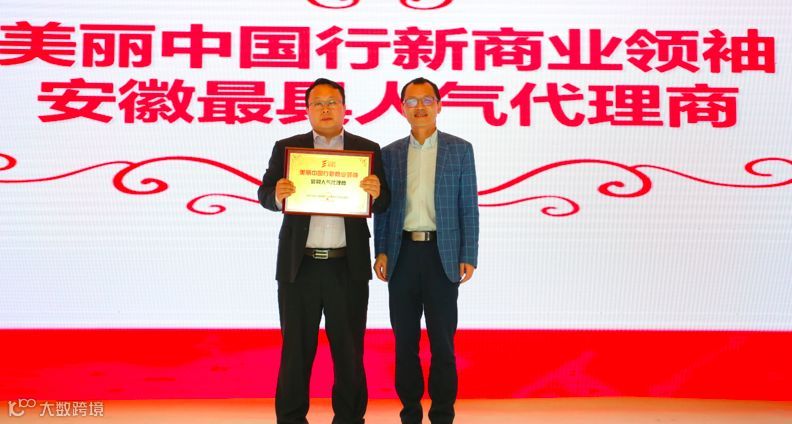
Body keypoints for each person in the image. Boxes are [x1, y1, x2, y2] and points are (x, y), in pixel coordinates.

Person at [258, 78, 390, 424]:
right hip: (298, 267)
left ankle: (349, 418)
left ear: (344, 108)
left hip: (347, 266)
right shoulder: (288, 148)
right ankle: (291, 419)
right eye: (317, 103)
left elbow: (385, 201)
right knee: (295, 352)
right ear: (307, 110)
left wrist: (377, 192)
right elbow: (264, 193)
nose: (325, 109)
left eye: (332, 102)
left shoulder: (366, 149)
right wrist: (277, 195)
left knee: (349, 352)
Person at [373, 77, 479, 424]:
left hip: (442, 256)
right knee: (404, 343)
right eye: (411, 101)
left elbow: (468, 207)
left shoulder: (460, 150)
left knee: (442, 344)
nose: (419, 107)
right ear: (402, 108)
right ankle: (410, 413)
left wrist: (469, 254)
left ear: (439, 105)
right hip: (402, 255)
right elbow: (384, 209)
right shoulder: (389, 154)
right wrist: (381, 250)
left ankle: (443, 414)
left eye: (427, 100)